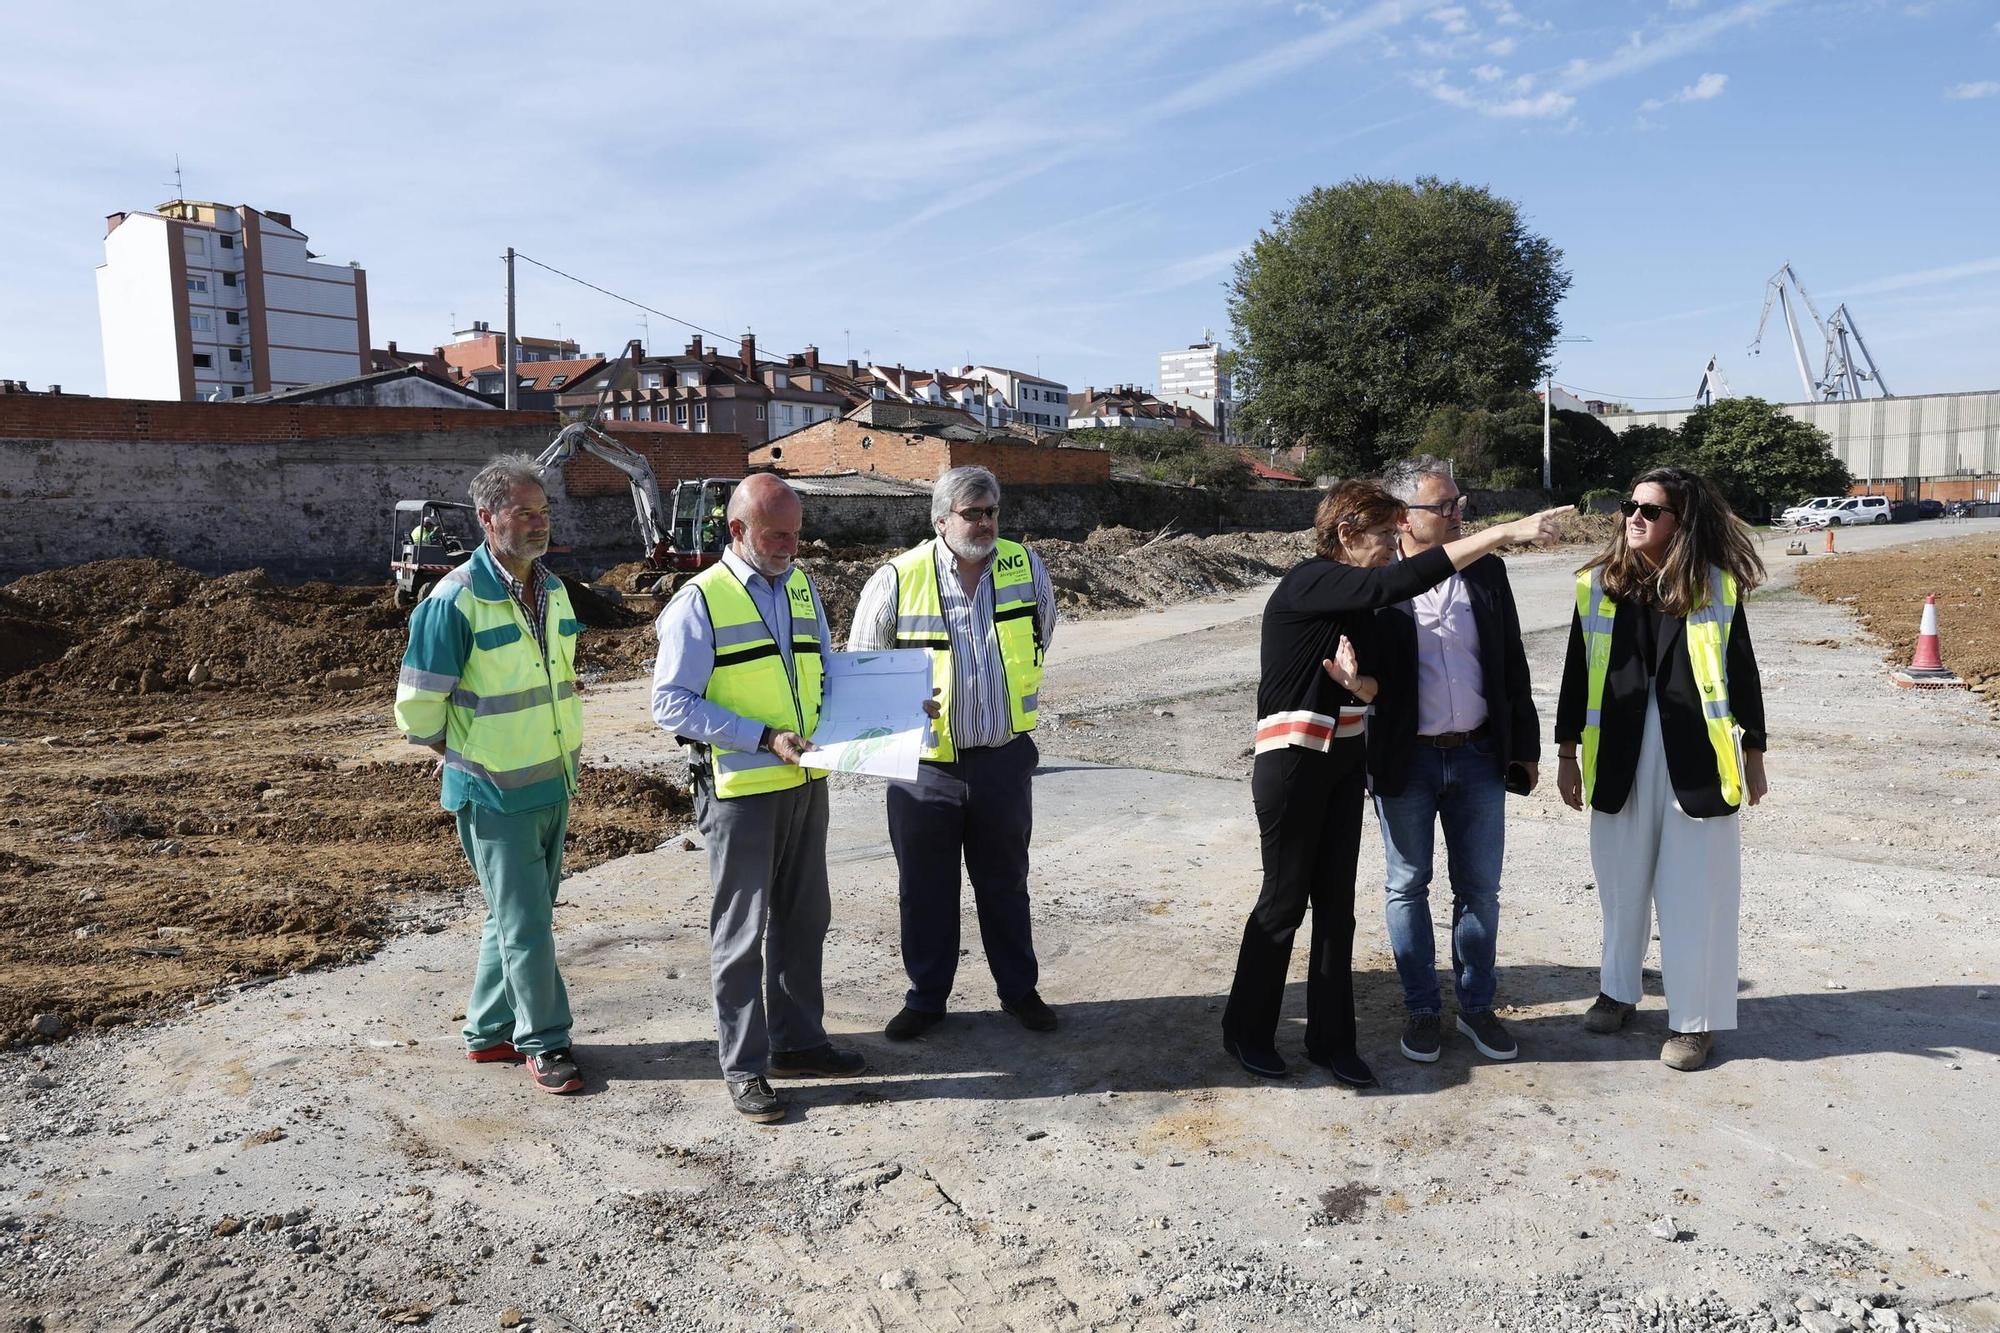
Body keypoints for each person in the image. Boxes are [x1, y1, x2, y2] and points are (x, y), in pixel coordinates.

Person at [1222, 481, 1568, 1087]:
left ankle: (1331, 1042)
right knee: (1283, 904)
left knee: (1337, 911)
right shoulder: (1313, 579)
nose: (1391, 545)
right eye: (1383, 535)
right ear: (1348, 534)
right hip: (1293, 761)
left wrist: (1361, 688)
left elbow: (1381, 683)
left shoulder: (1359, 604)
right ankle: (1247, 1031)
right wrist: (1505, 533)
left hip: (1343, 761)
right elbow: (1394, 584)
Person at [652, 473, 866, 1122]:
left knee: (805, 922)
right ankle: (745, 1067)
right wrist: (760, 735)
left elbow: (826, 673)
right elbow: (670, 703)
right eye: (777, 535)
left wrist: (894, 708)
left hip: (805, 785)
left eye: (797, 536)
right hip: (742, 792)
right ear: (737, 530)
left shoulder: (799, 585)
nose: (791, 548)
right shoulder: (699, 601)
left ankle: (799, 1042)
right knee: (741, 934)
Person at [1554, 466, 1767, 1073]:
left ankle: (1694, 1021)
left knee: (1696, 890)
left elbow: (1742, 675)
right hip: (1618, 755)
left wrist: (1754, 754)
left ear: (1682, 522)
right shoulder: (1595, 586)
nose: (1634, 518)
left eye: (1650, 509)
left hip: (1696, 759)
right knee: (1621, 887)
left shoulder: (1716, 588)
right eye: (1629, 506)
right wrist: (1567, 755)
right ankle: (1617, 992)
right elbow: (1576, 675)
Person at [394, 456, 586, 1095]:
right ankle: (545, 1042)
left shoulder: (553, 591)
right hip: (494, 791)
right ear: (487, 519)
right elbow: (417, 710)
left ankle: (487, 1031)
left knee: (513, 918)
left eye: (545, 511)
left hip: (552, 781)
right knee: (527, 925)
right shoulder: (453, 602)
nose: (539, 524)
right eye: (524, 513)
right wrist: (463, 754)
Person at [848, 465, 1059, 1043]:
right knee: (926, 889)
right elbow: (861, 666)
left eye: (992, 511)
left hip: (1002, 759)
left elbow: (1042, 633)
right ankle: (926, 998)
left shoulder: (1024, 564)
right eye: (973, 513)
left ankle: (1019, 991)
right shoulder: (896, 578)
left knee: (1006, 884)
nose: (986, 522)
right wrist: (898, 710)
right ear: (941, 520)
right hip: (924, 770)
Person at [1367, 458, 1540, 1064]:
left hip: (1476, 757)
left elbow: (1510, 664)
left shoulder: (1487, 574)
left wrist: (1525, 749)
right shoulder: (1376, 579)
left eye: (1458, 503)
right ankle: (1421, 1010)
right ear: (1403, 519)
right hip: (1405, 761)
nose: (1457, 514)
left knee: (1480, 890)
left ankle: (1475, 1007)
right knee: (1407, 885)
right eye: (1443, 507)